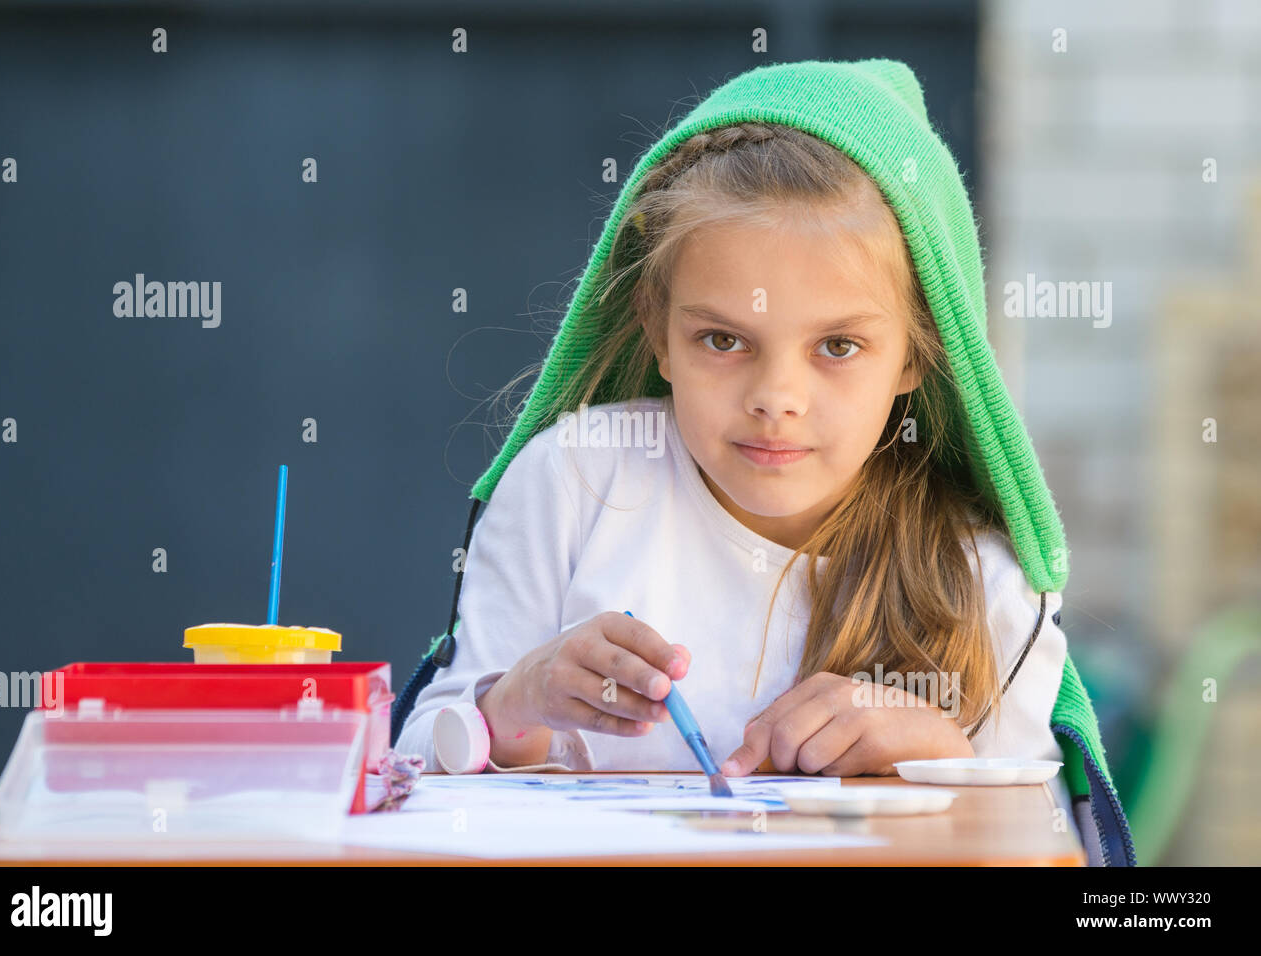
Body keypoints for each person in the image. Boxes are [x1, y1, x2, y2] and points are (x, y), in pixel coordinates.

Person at [393, 59, 1135, 865]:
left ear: (919, 354)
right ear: (656, 327)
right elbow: (413, 772)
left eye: (839, 346)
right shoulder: (572, 483)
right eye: (723, 339)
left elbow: (1062, 846)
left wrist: (943, 754)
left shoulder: (981, 577)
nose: (776, 397)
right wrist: (515, 707)